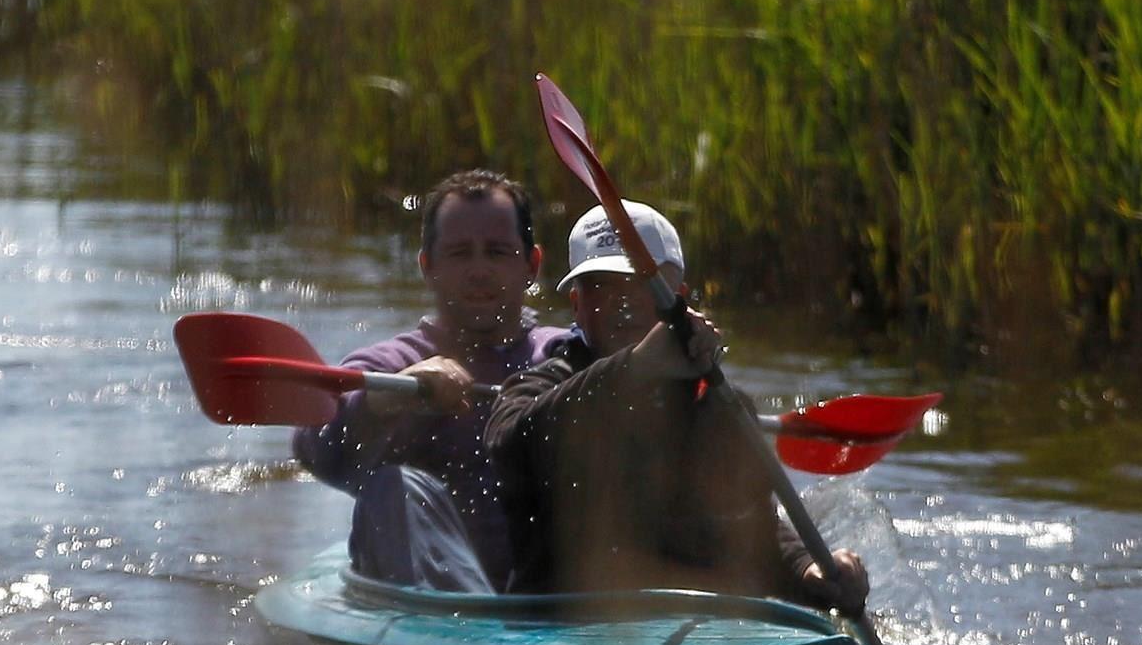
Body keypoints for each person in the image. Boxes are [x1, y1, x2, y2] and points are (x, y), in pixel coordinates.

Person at [484, 200, 870, 614]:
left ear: (680, 299)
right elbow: (509, 444)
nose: (621, 302)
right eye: (599, 286)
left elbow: (752, 532)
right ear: (576, 306)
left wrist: (808, 569)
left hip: (686, 631)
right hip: (557, 630)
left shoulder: (718, 405)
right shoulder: (540, 387)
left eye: (642, 285)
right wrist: (634, 369)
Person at [293, 169, 567, 591]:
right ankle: (471, 637)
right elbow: (315, 443)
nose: (478, 271)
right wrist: (393, 396)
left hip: (547, 596)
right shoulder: (392, 362)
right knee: (395, 487)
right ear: (428, 267)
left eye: (496, 252)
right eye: (460, 254)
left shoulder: (563, 355)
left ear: (531, 266)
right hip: (434, 607)